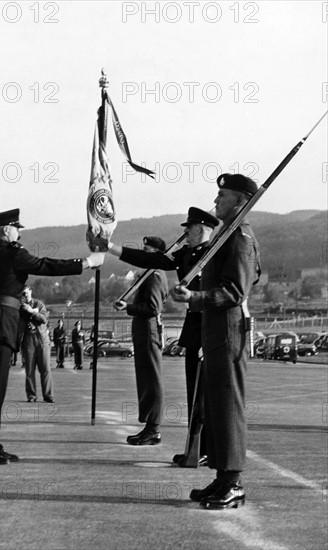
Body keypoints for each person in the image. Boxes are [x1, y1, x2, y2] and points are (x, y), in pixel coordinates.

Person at [0, 208, 104, 465]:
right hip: (0, 328)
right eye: (17, 228)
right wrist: (86, 263)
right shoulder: (15, 254)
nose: (19, 232)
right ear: (7, 230)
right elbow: (45, 265)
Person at [172, 174, 261, 509]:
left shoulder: (240, 237)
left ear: (240, 200)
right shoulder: (226, 235)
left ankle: (233, 482)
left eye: (222, 196)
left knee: (227, 406)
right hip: (215, 329)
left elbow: (236, 291)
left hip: (228, 330)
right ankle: (222, 477)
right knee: (214, 405)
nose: (216, 201)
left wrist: (195, 297)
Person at [108, 209, 218, 460]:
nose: (185, 232)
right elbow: (151, 261)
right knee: (194, 389)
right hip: (194, 324)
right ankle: (197, 448)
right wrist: (111, 247)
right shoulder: (186, 254)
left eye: (189, 228)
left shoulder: (214, 252)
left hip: (211, 323)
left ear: (202, 229)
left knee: (208, 391)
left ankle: (209, 448)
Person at [113, 236, 169, 445]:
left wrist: (127, 307)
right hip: (144, 329)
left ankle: (153, 428)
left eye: (147, 251)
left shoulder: (155, 275)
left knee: (151, 379)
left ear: (156, 254)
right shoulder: (149, 275)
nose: (143, 255)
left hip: (148, 328)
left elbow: (152, 308)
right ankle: (149, 426)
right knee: (145, 378)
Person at [20, 286, 54, 403]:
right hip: (28, 338)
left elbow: (44, 319)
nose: (25, 296)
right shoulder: (20, 307)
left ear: (30, 292)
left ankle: (48, 395)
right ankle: (31, 395)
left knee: (45, 368)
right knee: (29, 370)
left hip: (41, 338)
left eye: (26, 293)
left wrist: (32, 312)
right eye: (23, 294)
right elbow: (18, 322)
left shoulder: (39, 304)